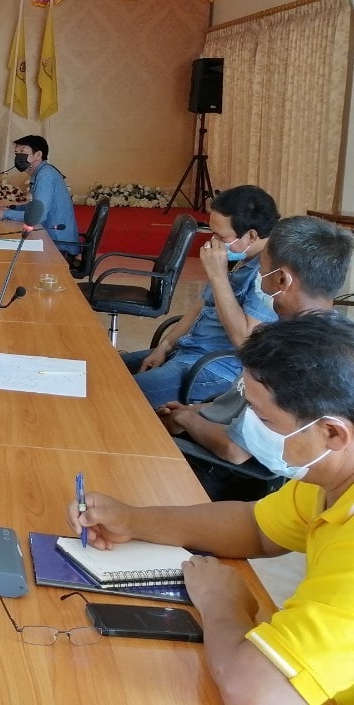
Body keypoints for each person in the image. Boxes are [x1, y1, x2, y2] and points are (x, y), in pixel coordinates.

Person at [70, 312, 354, 705]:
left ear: (333, 433)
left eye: (264, 419)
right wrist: (132, 520)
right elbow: (256, 527)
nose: (247, 426)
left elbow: (257, 690)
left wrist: (222, 604)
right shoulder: (331, 480)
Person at [158, 215, 354, 474]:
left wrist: (185, 418)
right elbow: (237, 403)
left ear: (282, 280)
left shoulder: (286, 354)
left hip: (219, 470)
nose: (259, 277)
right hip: (207, 424)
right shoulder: (341, 336)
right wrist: (195, 410)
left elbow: (234, 449)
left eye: (262, 269)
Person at [124, 184, 280, 407]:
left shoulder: (267, 273)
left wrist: (218, 276)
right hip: (187, 352)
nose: (212, 242)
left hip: (214, 368)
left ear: (251, 235)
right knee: (106, 368)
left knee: (118, 391)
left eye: (221, 236)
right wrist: (165, 345)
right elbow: (201, 305)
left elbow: (245, 342)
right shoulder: (238, 258)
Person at [0, 135, 77, 255]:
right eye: (16, 153)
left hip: (58, 245)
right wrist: (12, 208)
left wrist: (5, 214)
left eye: (22, 151)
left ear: (38, 155)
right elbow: (36, 206)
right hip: (49, 238)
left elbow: (39, 216)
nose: (18, 156)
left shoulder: (45, 176)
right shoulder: (43, 172)